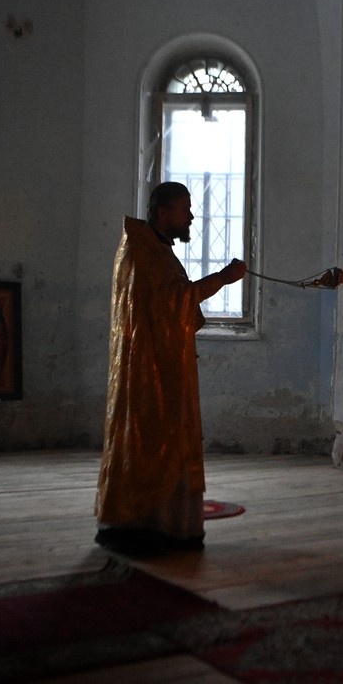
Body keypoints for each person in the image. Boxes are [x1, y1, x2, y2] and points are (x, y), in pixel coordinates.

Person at [95, 181, 247, 555]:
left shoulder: (149, 249)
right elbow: (176, 304)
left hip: (160, 364)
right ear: (163, 212)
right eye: (185, 208)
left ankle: (167, 525)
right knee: (156, 440)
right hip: (151, 371)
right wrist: (222, 280)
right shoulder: (145, 253)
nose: (191, 216)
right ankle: (150, 525)